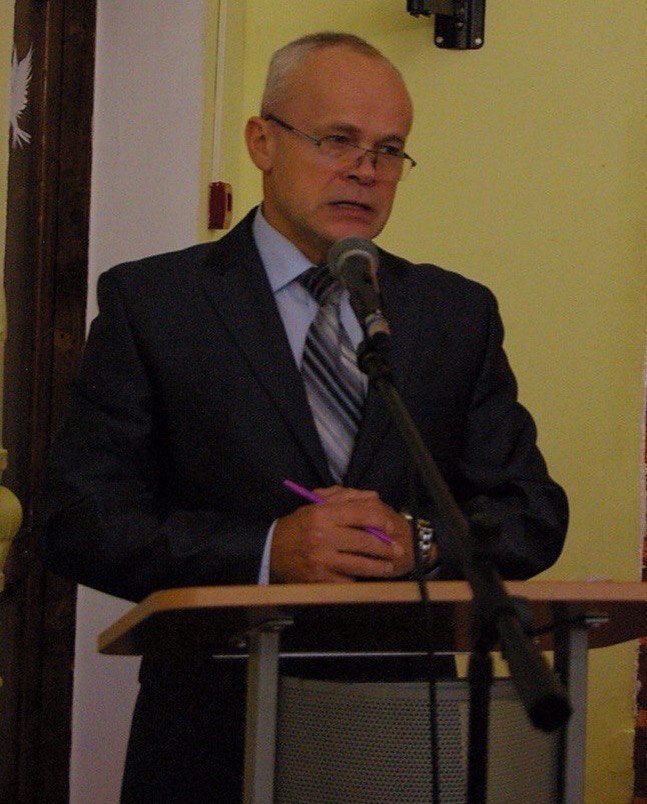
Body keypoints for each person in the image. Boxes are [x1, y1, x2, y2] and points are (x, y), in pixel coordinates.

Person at [39, 32, 568, 803]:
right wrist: (266, 550)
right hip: (210, 733)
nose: (364, 169)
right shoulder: (156, 304)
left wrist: (418, 542)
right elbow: (79, 518)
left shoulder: (452, 315)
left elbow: (531, 513)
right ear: (261, 141)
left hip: (397, 734)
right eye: (337, 139)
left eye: (389, 150)